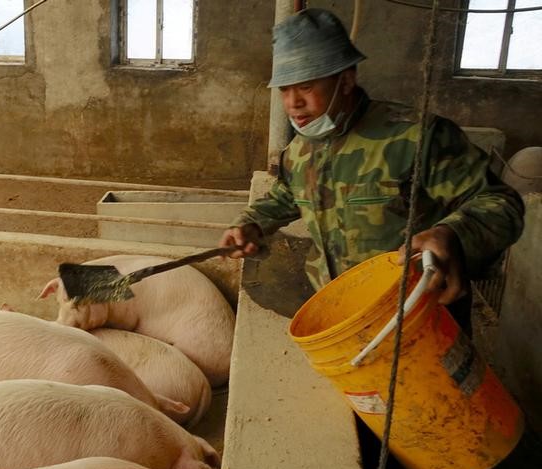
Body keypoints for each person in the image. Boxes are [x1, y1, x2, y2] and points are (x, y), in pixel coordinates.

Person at [219, 8, 524, 328]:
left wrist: (452, 233)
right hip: (341, 312)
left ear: (346, 80)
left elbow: (501, 204)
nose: (293, 103)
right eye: (285, 89)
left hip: (419, 316)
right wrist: (252, 221)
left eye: (306, 86)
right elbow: (288, 194)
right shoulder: (299, 150)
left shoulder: (413, 137)